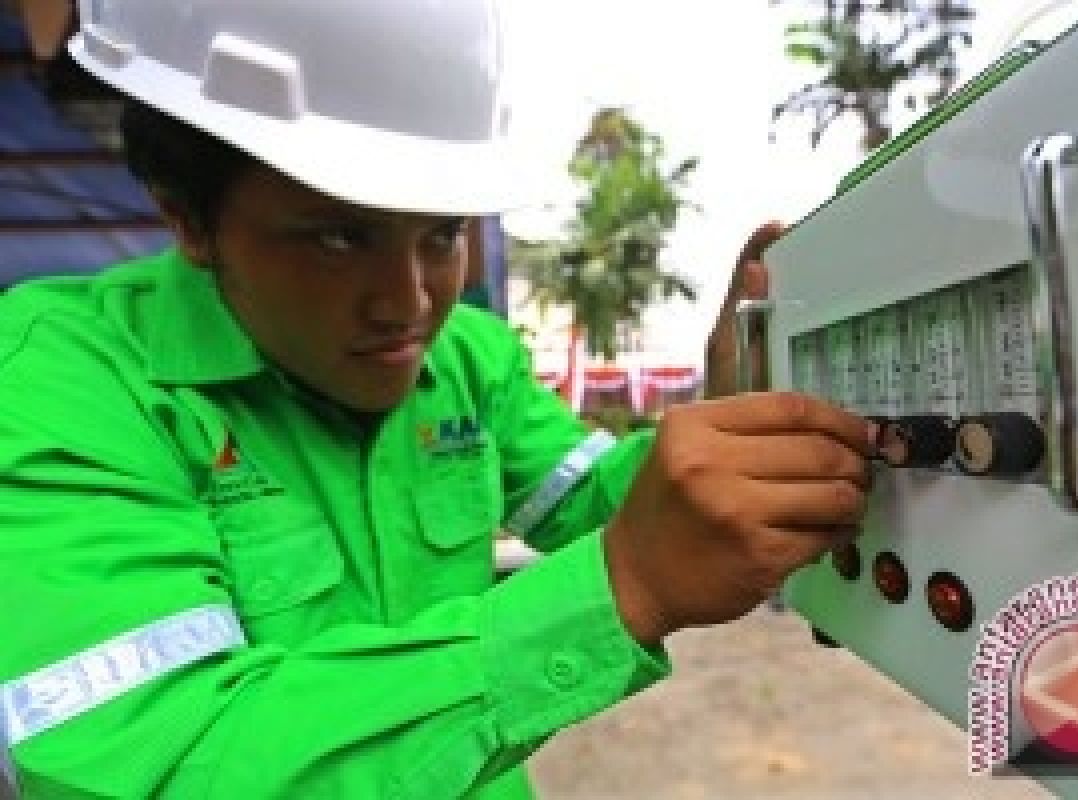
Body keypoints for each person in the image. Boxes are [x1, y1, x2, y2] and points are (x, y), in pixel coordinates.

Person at [0, 1, 875, 798]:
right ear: (186, 217)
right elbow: (164, 761)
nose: (410, 302)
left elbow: (596, 505)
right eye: (341, 237)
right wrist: (625, 584)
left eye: (444, 234)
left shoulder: (467, 360)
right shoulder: (66, 380)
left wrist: (724, 423)